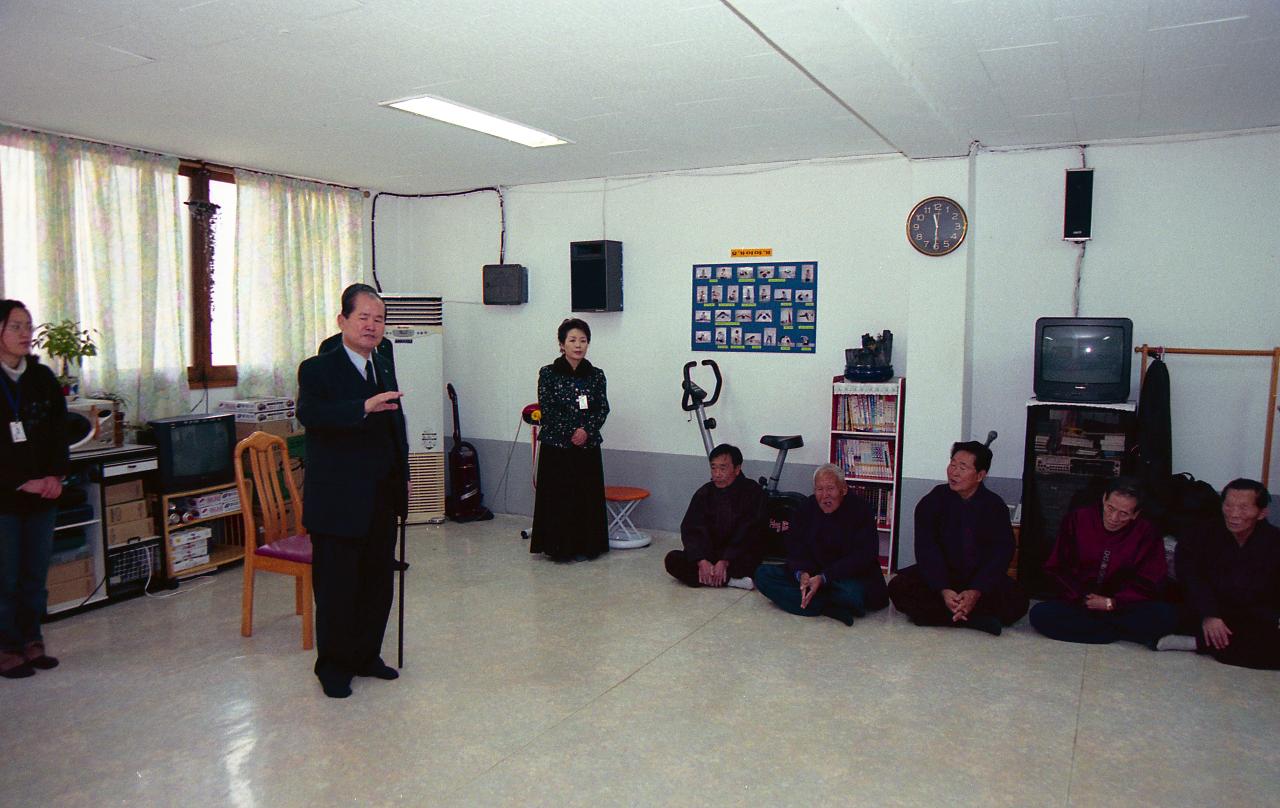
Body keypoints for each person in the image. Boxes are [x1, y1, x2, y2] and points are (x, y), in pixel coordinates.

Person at [297, 283, 409, 699]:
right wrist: (362, 407)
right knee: (337, 587)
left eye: (379, 319)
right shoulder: (317, 369)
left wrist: (404, 474)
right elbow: (312, 415)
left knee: (378, 582)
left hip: (381, 494)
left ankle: (366, 655)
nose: (372, 326)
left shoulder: (382, 362)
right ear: (342, 320)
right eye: (363, 317)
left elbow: (396, 422)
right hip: (339, 500)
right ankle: (333, 666)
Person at [888, 441, 1028, 635]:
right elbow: (926, 549)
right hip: (942, 576)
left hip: (978, 579)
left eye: (963, 468)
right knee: (898, 587)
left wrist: (976, 591)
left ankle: (939, 617)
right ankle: (976, 620)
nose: (954, 472)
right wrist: (943, 589)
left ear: (980, 475)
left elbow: (1001, 554)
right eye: (953, 464)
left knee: (1018, 600)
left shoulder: (995, 506)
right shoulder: (933, 500)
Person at [0, 300, 68, 679]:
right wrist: (20, 481)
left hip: (43, 493)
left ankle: (32, 640)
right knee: (5, 577)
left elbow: (59, 432)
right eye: (15, 326)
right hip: (6, 497)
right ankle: (6, 647)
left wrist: (55, 476)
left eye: (28, 326)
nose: (26, 334)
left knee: (34, 574)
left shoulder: (41, 378)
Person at [1028, 478, 1176, 648]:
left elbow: (1151, 579)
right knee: (1040, 614)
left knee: (1165, 616)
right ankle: (1117, 632)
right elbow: (1056, 567)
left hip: (1122, 606)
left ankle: (1099, 629)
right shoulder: (1077, 519)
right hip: (1081, 601)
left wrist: (1112, 603)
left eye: (1124, 513)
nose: (1114, 518)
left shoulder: (1147, 532)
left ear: (1135, 514)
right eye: (1110, 508)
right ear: (1104, 499)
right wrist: (1083, 599)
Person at [1164, 479, 1280, 669]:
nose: (1234, 514)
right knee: (1157, 616)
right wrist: (1209, 614)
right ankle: (1213, 641)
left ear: (1262, 513)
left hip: (1253, 616)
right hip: (1207, 609)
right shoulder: (1201, 534)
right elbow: (1190, 577)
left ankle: (1199, 643)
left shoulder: (1274, 542)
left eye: (1244, 508)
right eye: (1228, 505)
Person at [754, 464, 889, 625]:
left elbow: (863, 556)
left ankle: (811, 601)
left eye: (830, 489)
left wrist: (824, 578)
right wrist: (802, 573)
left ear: (843, 489)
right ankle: (826, 606)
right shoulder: (806, 508)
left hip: (844, 577)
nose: (825, 496)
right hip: (813, 573)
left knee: (851, 595)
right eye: (819, 489)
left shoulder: (861, 510)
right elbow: (795, 546)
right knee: (763, 575)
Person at [530, 318, 610, 562]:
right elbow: (549, 408)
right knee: (560, 498)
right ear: (562, 344)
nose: (578, 345)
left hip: (587, 446)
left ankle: (587, 546)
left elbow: (602, 408)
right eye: (572, 340)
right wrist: (571, 432)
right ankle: (558, 547)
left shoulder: (596, 375)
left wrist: (585, 430)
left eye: (583, 340)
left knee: (585, 497)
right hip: (558, 446)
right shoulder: (548, 373)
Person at [664, 443, 766, 590]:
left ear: (737, 469)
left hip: (738, 555)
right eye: (713, 468)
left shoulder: (752, 492)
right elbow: (691, 529)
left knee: (757, 567)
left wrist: (726, 560)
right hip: (709, 553)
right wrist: (701, 560)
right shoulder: (704, 493)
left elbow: (750, 531)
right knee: (672, 560)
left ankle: (712, 577)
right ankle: (731, 581)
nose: (717, 473)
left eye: (723, 468)